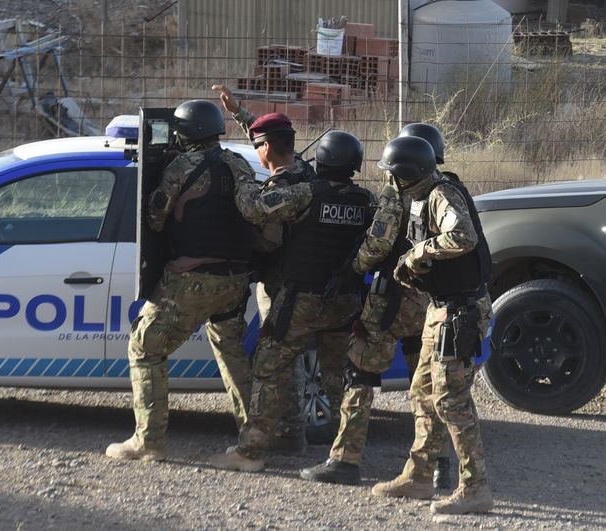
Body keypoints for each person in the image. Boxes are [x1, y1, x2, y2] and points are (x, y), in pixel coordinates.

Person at [207, 129, 373, 472]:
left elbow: (255, 209)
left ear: (321, 161)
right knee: (344, 380)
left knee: (269, 369)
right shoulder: (365, 201)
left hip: (301, 301)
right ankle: (347, 458)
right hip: (344, 303)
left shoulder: (306, 193)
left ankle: (250, 452)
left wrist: (241, 176)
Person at [299, 123, 452, 488]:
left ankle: (345, 460)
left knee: (359, 372)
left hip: (393, 301)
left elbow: (377, 245)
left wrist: (352, 270)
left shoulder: (397, 194)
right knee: (428, 384)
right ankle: (439, 465)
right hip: (429, 303)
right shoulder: (445, 191)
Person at [105, 99, 255, 462]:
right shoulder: (238, 163)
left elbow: (155, 218)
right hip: (234, 279)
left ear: (185, 133)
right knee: (233, 355)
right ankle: (253, 445)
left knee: (145, 347)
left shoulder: (182, 167)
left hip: (191, 280)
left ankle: (148, 441)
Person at [370, 135, 494, 515]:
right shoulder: (418, 197)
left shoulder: (441, 195)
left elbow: (463, 236)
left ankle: (475, 488)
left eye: (392, 173)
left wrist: (418, 253)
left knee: (452, 401)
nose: (388, 180)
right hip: (439, 310)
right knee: (422, 391)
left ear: (405, 174)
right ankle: (419, 475)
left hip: (460, 312)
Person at [214, 83, 318, 451]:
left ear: (268, 149)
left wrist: (241, 175)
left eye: (259, 147)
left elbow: (258, 219)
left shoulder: (282, 188)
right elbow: (269, 138)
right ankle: (290, 432)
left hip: (280, 284)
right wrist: (239, 113)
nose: (256, 151)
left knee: (277, 361)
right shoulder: (305, 170)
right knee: (288, 359)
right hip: (303, 280)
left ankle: (287, 435)